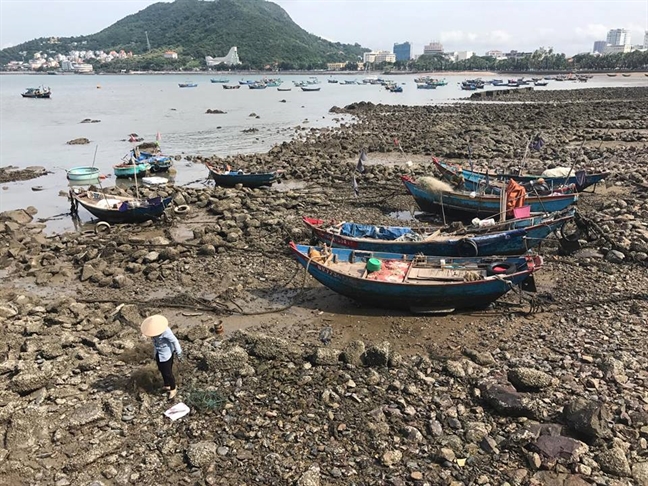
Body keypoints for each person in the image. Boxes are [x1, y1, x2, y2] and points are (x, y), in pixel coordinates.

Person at [140, 315, 183, 399]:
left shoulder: (166, 331)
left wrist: (179, 353)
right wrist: (154, 353)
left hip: (167, 355)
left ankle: (173, 388)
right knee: (161, 369)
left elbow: (174, 341)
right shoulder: (153, 332)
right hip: (159, 353)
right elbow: (155, 344)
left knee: (168, 372)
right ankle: (167, 385)